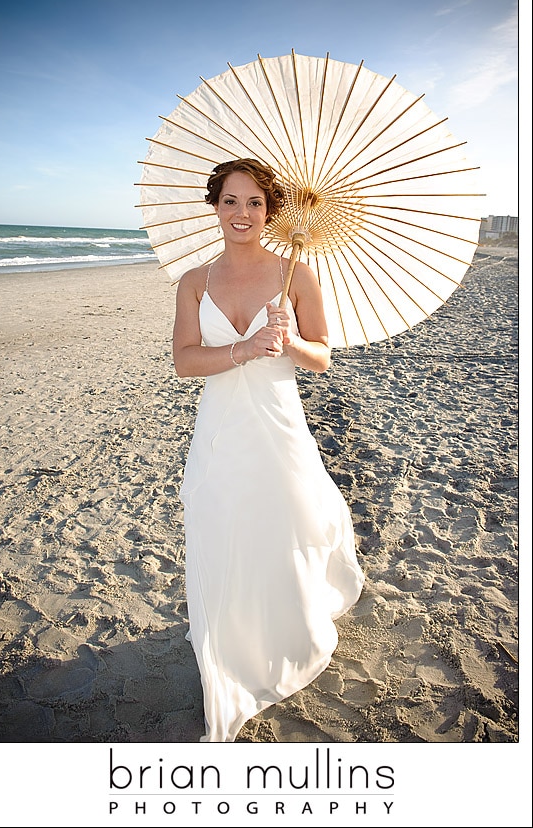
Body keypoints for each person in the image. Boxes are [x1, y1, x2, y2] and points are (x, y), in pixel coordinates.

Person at [173, 158, 364, 742]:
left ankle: (284, 634)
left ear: (270, 211)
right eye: (231, 201)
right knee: (222, 526)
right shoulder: (194, 282)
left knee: (282, 524)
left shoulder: (297, 273)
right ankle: (226, 640)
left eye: (255, 203)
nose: (242, 213)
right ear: (215, 207)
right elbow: (184, 362)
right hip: (221, 429)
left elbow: (323, 355)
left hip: (279, 426)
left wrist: (291, 340)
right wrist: (246, 347)